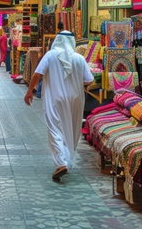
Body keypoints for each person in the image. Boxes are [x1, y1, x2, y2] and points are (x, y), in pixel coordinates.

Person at [23, 31, 93, 181]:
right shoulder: (79, 58)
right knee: (72, 130)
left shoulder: (51, 55)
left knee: (55, 127)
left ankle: (61, 162)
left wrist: (30, 91)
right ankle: (66, 159)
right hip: (76, 99)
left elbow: (37, 74)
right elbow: (89, 80)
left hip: (55, 98)